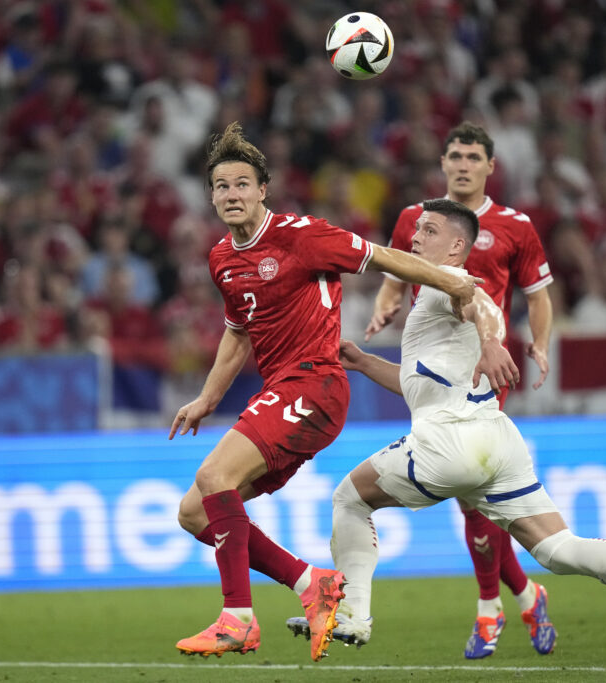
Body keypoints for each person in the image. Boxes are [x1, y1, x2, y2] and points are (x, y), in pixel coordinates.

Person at [289, 199, 606, 660]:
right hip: (494, 439)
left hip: (450, 442)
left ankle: (354, 617)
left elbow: (482, 304)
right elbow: (421, 385)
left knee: (349, 499)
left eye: (428, 231)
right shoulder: (428, 295)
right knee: (557, 549)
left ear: (456, 247)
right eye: (417, 230)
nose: (415, 237)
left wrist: (490, 342)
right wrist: (365, 364)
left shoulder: (452, 282)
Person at [170, 123, 480, 662]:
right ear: (212, 196)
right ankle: (311, 583)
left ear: (263, 189)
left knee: (214, 476)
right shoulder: (222, 259)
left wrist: (447, 278)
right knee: (196, 512)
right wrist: (207, 399)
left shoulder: (302, 235)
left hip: (316, 382)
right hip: (283, 391)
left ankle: (238, 618)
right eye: (222, 187)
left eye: (242, 184)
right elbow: (238, 332)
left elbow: (382, 256)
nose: (232, 195)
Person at [368, 121, 556, 659]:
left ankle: (489, 608)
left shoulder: (514, 226)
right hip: (426, 368)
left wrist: (539, 342)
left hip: (480, 370)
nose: (463, 164)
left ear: (490, 167)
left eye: (474, 156)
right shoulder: (415, 218)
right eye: (455, 155)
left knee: (471, 494)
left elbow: (539, 295)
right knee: (473, 497)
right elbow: (396, 268)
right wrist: (385, 299)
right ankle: (525, 593)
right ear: (444, 162)